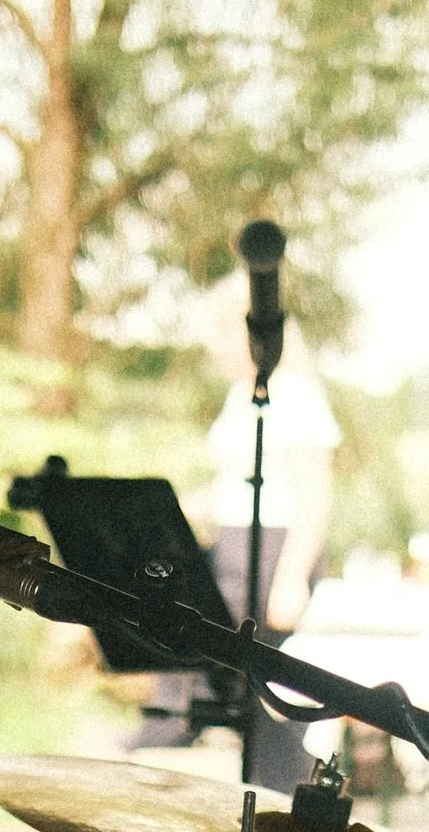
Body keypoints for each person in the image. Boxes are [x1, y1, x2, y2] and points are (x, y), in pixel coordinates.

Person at [133, 272, 339, 791]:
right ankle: (287, 779)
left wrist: (291, 577)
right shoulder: (239, 395)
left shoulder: (294, 394)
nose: (213, 349)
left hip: (272, 548)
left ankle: (166, 736)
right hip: (232, 540)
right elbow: (235, 481)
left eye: (220, 335)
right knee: (237, 671)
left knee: (220, 653)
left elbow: (315, 495)